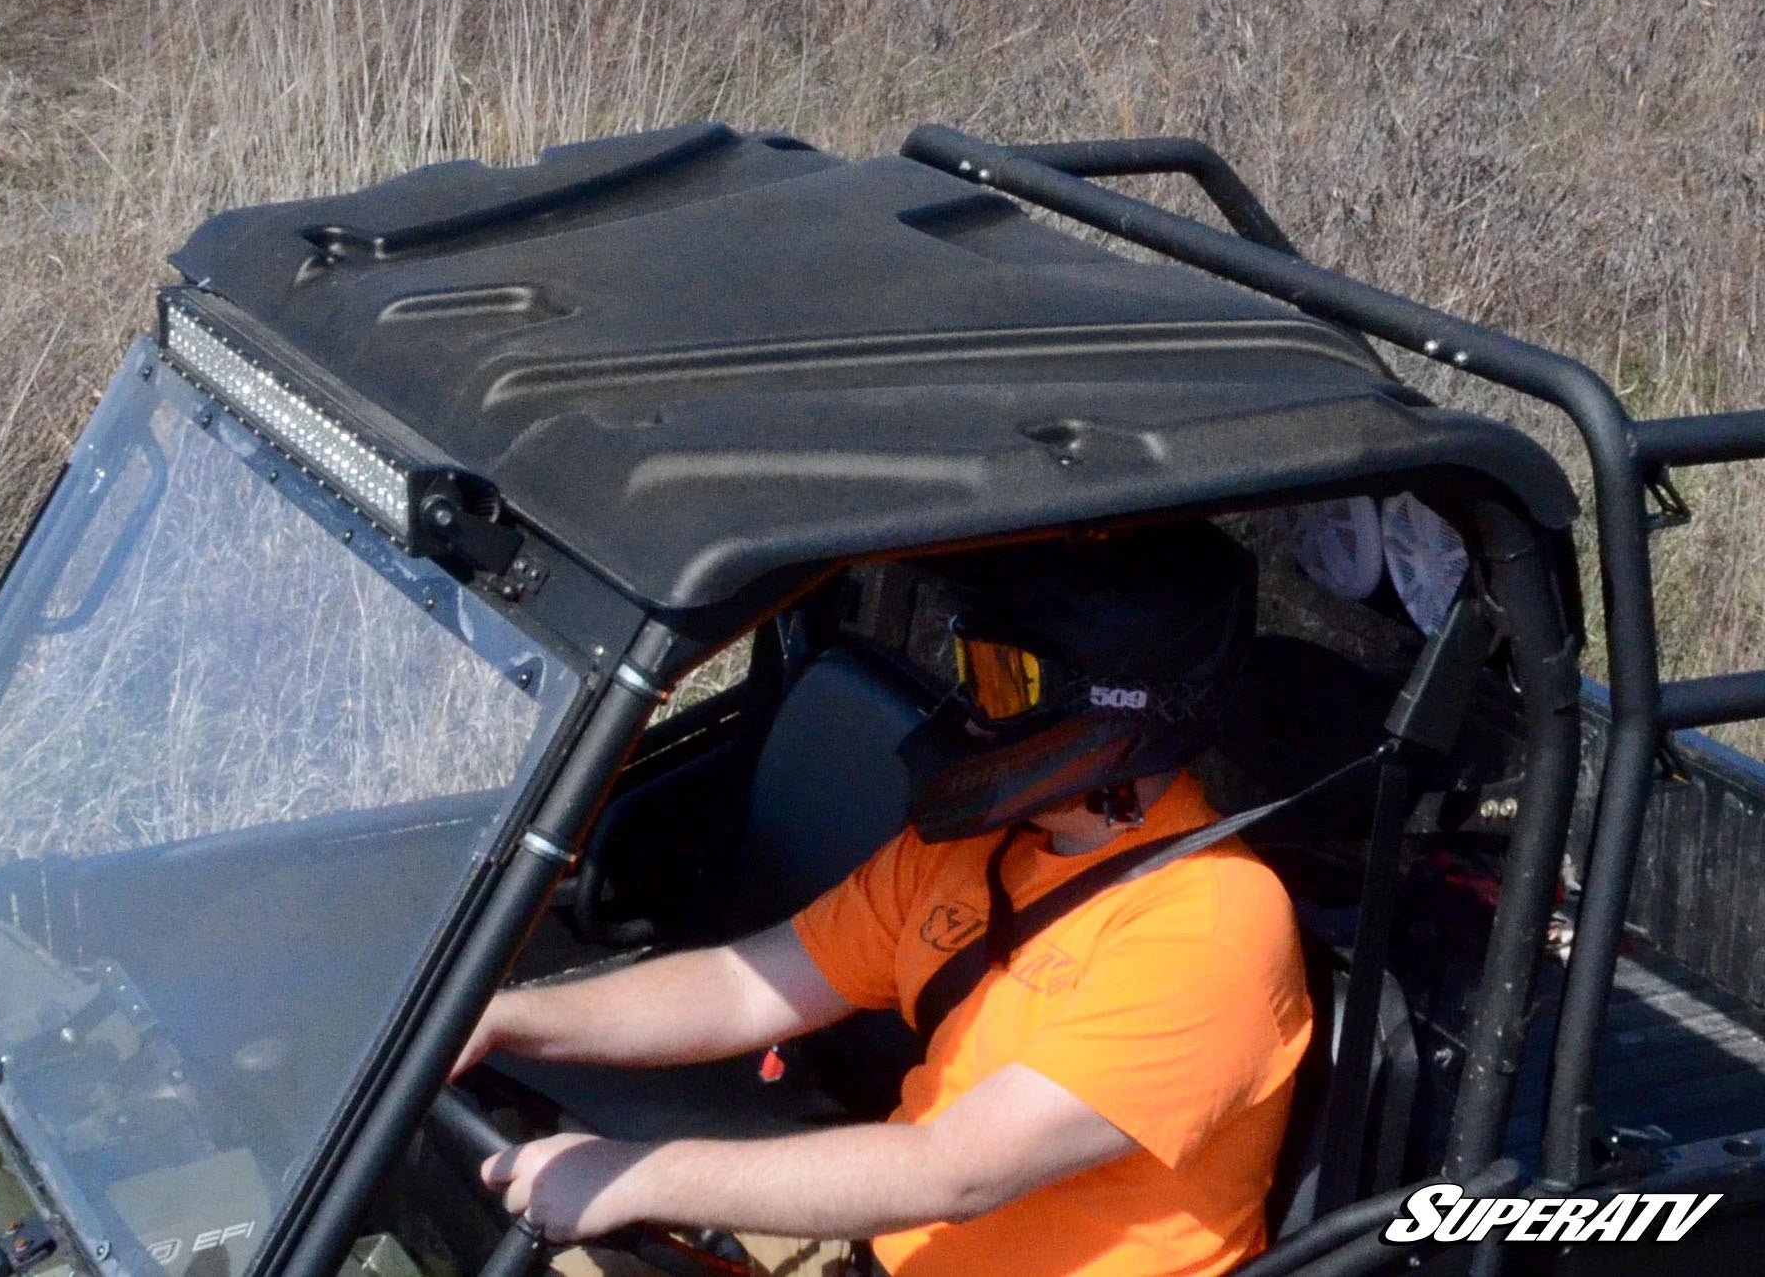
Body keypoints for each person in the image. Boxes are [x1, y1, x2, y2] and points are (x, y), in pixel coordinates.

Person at [457, 524, 1314, 1277]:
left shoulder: (1210, 927)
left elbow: (954, 1171)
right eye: (970, 671)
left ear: (1118, 715)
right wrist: (500, 1018)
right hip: (888, 1251)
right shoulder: (982, 849)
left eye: (1007, 683)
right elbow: (746, 986)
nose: (974, 712)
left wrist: (639, 1175)